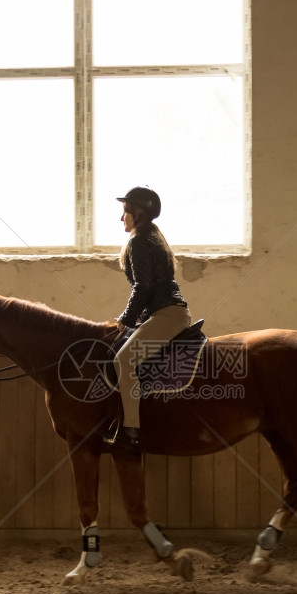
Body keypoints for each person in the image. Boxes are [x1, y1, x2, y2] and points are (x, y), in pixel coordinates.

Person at [108, 186, 191, 453]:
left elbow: (142, 287)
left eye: (125, 213)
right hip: (164, 312)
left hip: (166, 313)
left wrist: (125, 318)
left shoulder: (138, 241)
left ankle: (130, 429)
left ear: (137, 213)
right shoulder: (153, 237)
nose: (122, 219)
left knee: (122, 359)